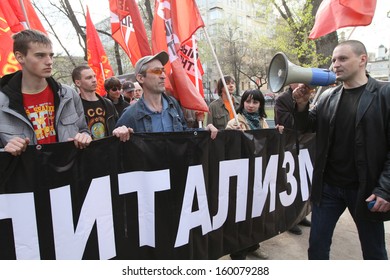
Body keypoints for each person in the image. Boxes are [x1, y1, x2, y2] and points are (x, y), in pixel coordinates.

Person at [292, 40, 390, 259]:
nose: (336, 64)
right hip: (328, 188)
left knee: (374, 251)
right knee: (317, 247)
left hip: (365, 189)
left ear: (362, 59)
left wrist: (385, 189)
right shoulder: (328, 96)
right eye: (334, 59)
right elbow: (306, 126)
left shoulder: (384, 94)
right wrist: (301, 105)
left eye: (343, 58)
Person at [0, 29, 92, 156]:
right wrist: (5, 150)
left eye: (51, 55)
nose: (49, 61)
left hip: (68, 172)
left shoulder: (68, 95)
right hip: (27, 174)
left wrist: (84, 137)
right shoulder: (2, 103)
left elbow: (84, 130)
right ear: (20, 57)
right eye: (40, 55)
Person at [116, 51, 218, 139]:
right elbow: (118, 152)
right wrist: (119, 133)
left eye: (163, 71)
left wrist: (204, 131)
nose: (163, 76)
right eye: (157, 71)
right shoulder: (130, 115)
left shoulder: (173, 104)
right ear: (141, 78)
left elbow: (184, 134)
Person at [225, 89, 271, 260]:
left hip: (258, 173)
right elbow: (226, 151)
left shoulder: (263, 122)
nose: (251, 106)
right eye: (248, 101)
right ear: (242, 103)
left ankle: (253, 245)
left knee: (257, 212)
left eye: (255, 102)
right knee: (240, 214)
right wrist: (231, 136)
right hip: (240, 176)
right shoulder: (234, 123)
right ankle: (238, 252)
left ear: (260, 104)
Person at [274, 83, 313, 235]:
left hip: (303, 145)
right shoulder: (282, 99)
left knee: (302, 183)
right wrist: (301, 109)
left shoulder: (305, 95)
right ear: (290, 83)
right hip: (289, 146)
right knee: (289, 185)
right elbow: (288, 122)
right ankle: (289, 220)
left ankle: (300, 215)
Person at [72, 65, 131, 141]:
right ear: (78, 83)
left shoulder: (108, 104)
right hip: (87, 150)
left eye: (94, 76)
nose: (94, 80)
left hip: (109, 149)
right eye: (89, 78)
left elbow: (118, 126)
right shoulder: (74, 107)